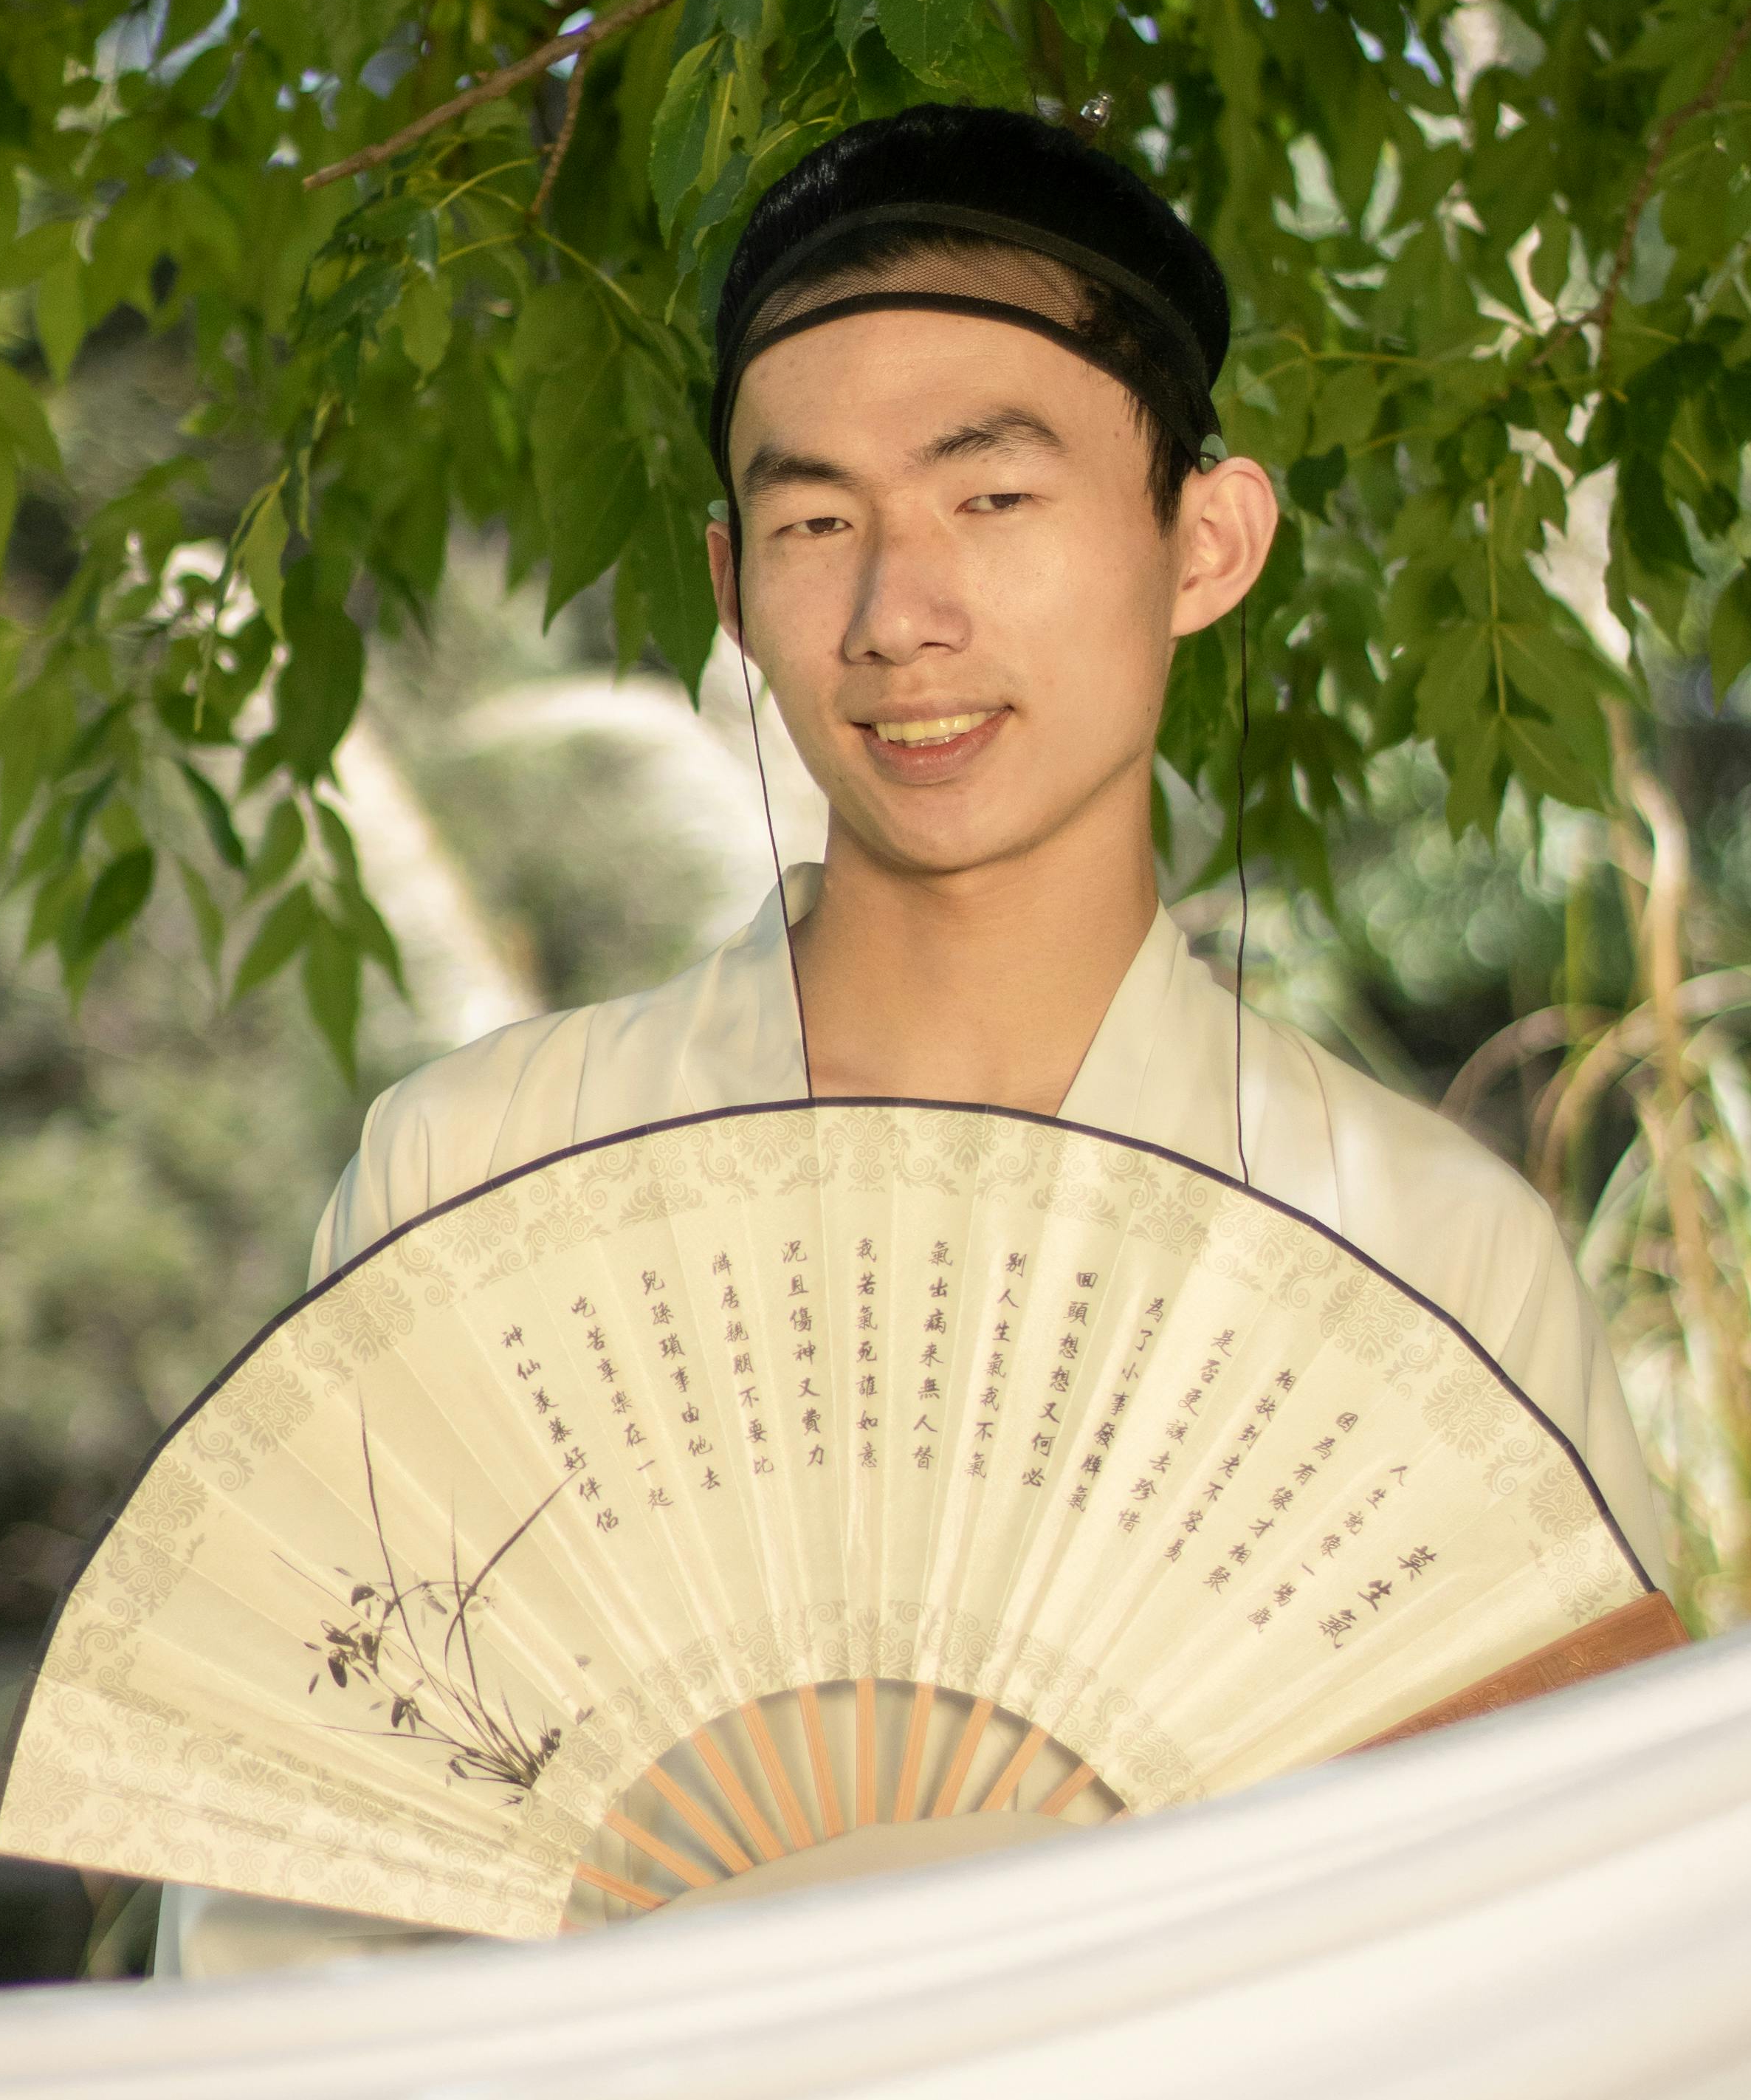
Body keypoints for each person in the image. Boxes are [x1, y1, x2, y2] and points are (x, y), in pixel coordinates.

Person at [154, 102, 1662, 1978]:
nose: (896, 613)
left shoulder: (1424, 1254)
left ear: (1203, 542)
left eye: (992, 498)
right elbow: (296, 1952)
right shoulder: (487, 1172)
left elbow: (1561, 1962)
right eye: (813, 522)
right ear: (729, 586)